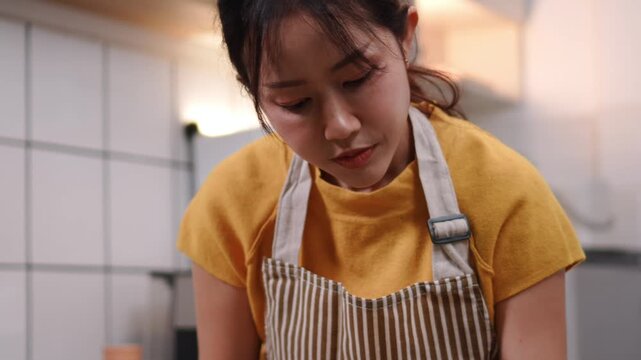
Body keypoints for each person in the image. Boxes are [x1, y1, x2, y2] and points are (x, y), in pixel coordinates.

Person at [177, 0, 586, 359]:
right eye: (295, 103)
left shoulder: (508, 194)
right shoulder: (232, 202)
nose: (339, 126)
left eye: (357, 78)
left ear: (406, 36)